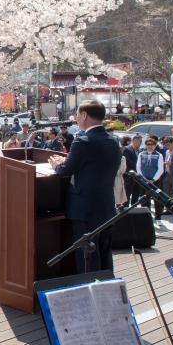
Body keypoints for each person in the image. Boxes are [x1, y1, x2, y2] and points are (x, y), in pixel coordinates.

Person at [49, 100, 121, 273]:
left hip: (84, 208)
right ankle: (107, 289)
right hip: (105, 206)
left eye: (77, 114)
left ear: (84, 115)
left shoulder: (83, 140)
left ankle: (90, 292)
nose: (76, 118)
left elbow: (65, 170)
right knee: (104, 253)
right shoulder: (113, 141)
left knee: (87, 256)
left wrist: (56, 164)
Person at [135, 137, 164, 218]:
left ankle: (158, 217)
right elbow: (138, 167)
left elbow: (160, 169)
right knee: (144, 199)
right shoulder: (141, 154)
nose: (150, 146)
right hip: (144, 181)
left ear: (155, 146)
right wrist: (143, 178)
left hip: (155, 181)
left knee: (157, 199)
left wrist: (153, 179)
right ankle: (145, 216)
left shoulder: (159, 155)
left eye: (152, 145)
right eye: (148, 144)